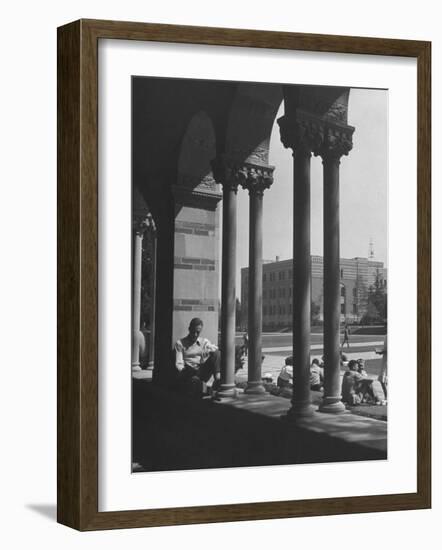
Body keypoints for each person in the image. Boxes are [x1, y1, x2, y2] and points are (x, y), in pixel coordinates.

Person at [174, 318, 221, 395]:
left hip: (201, 370)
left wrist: (207, 351)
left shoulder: (204, 342)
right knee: (196, 384)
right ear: (189, 329)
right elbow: (179, 364)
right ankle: (206, 388)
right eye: (193, 331)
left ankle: (217, 380)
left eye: (198, 332)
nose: (195, 334)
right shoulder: (180, 343)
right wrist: (185, 373)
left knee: (217, 353)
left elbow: (215, 350)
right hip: (188, 372)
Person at [376, 334, 388, 398]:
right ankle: (386, 395)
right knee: (382, 379)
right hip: (385, 358)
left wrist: (382, 351)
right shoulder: (387, 335)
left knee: (383, 378)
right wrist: (382, 351)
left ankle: (387, 396)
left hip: (387, 359)